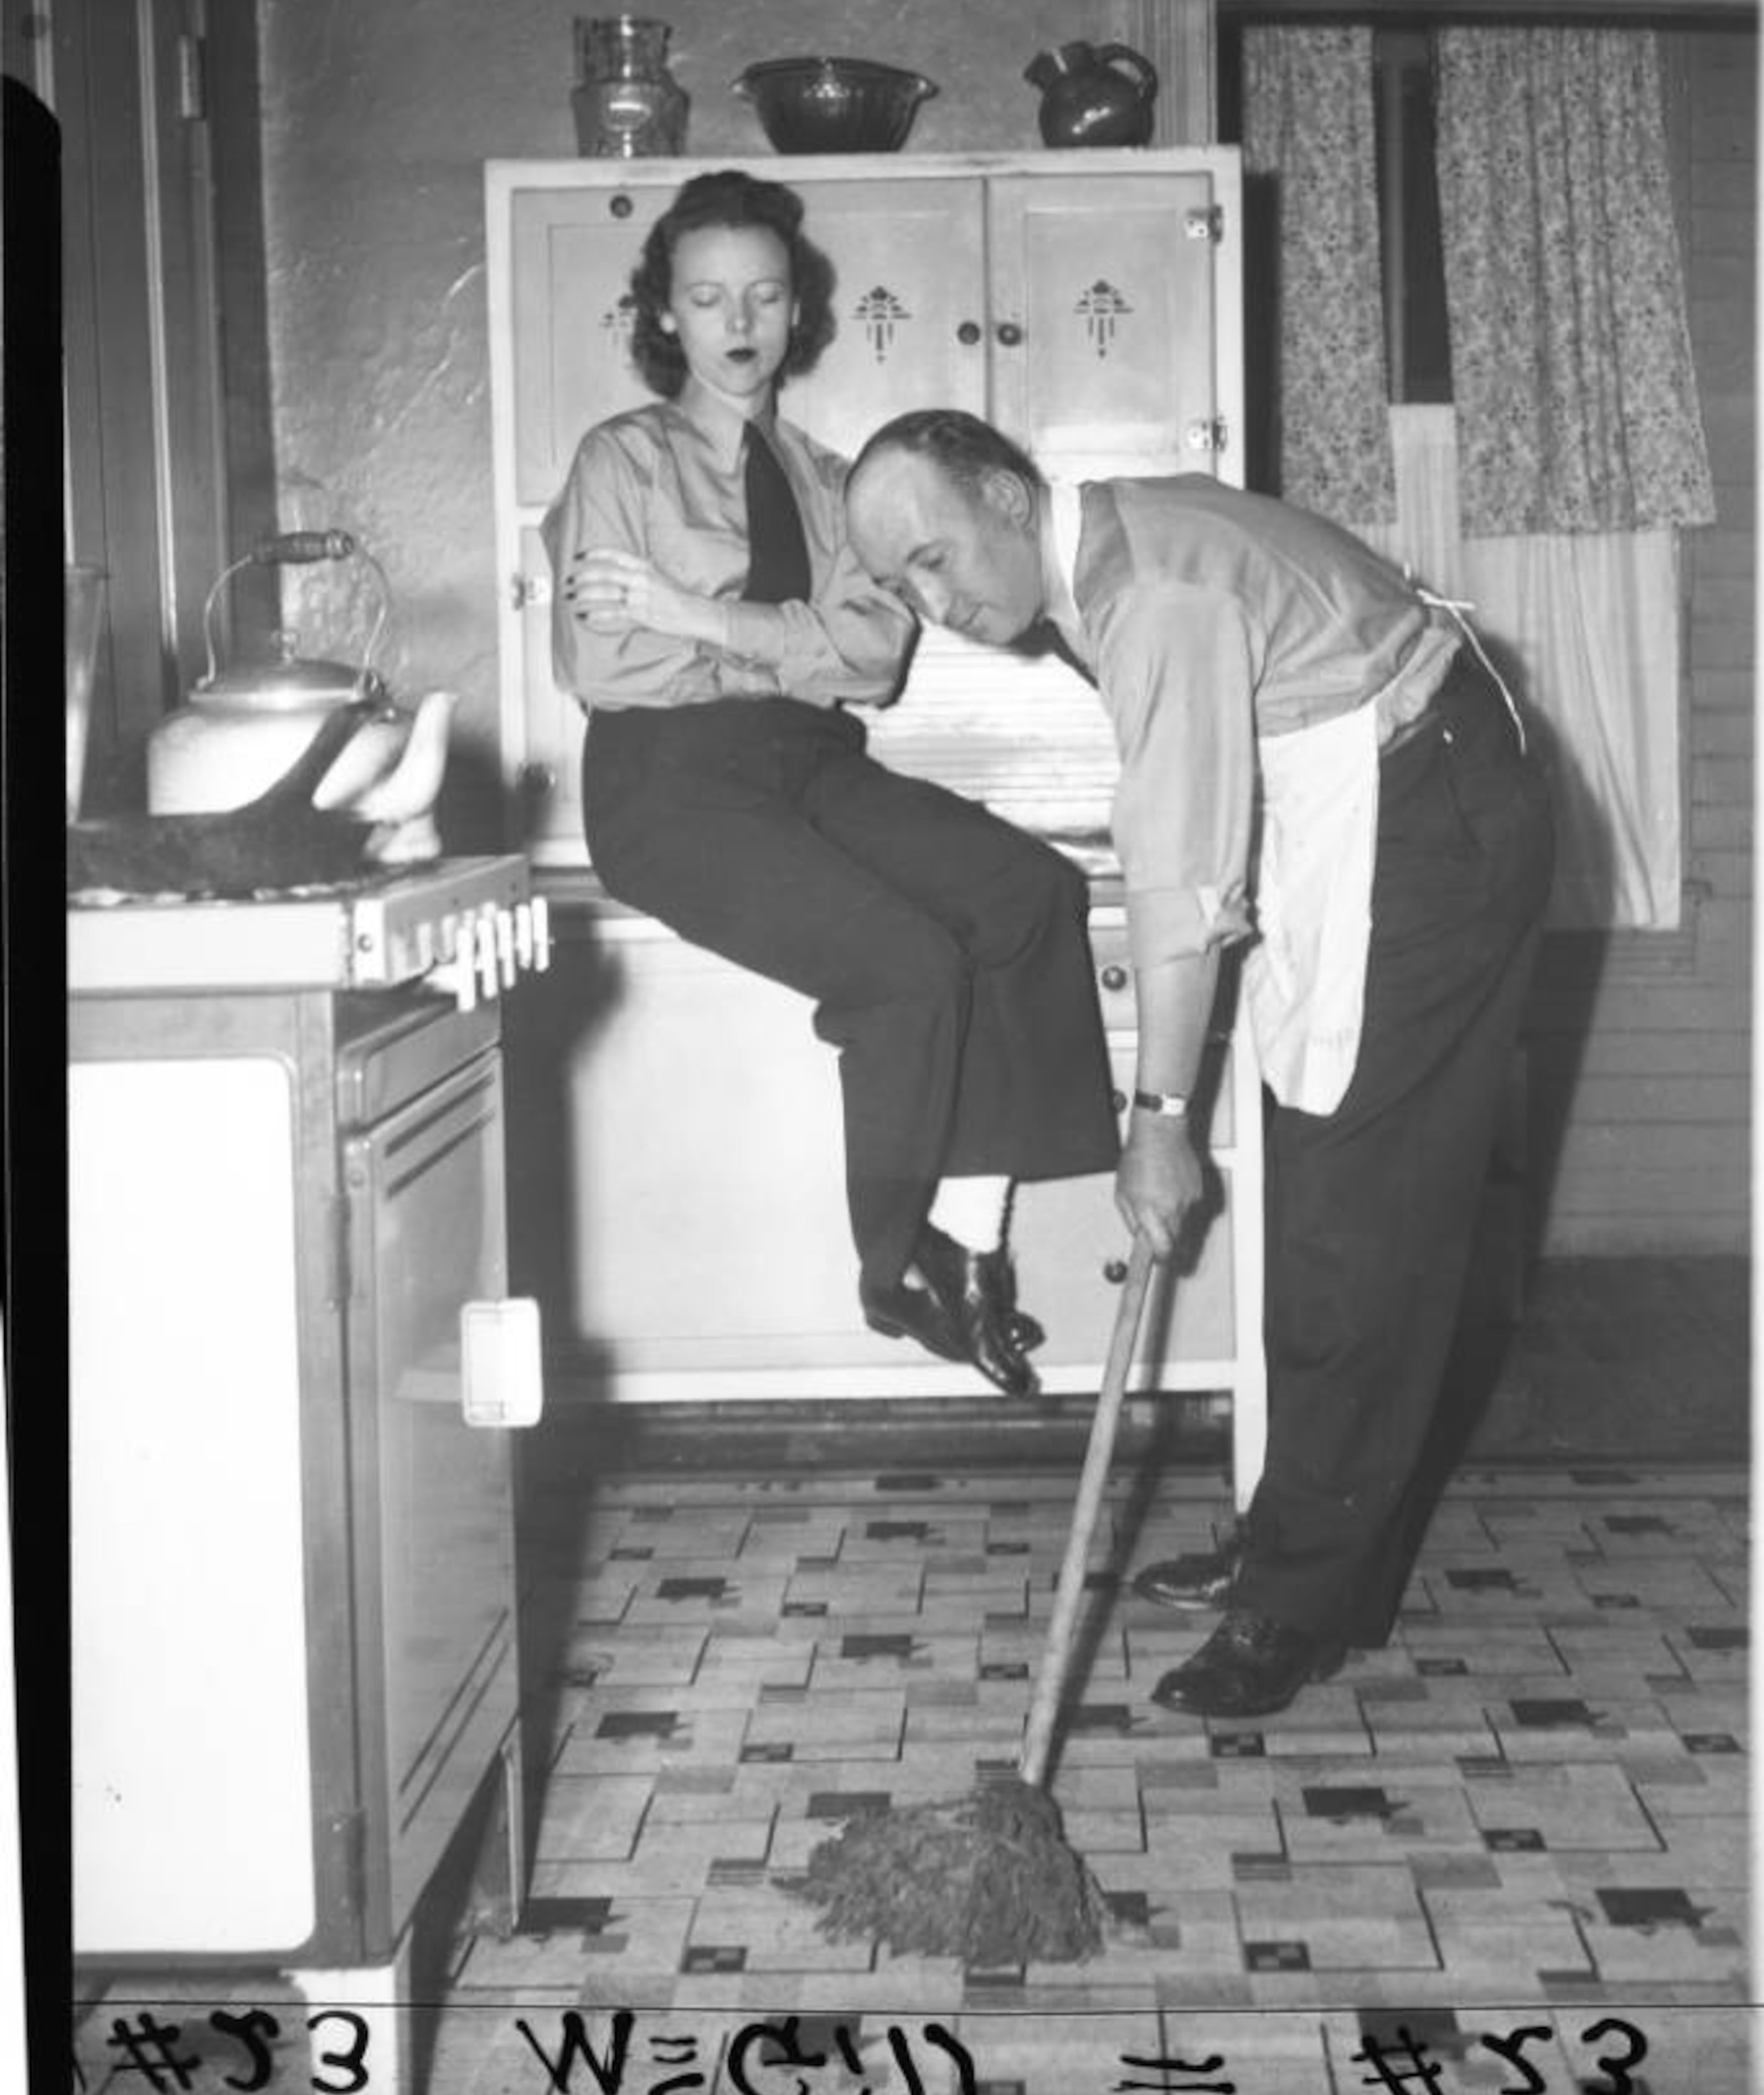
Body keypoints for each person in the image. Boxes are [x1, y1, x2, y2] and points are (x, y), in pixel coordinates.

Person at [844, 410, 1556, 1717]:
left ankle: (1304, 1601)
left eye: (937, 559)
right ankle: (1297, 1531)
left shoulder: (1147, 593)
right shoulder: (1091, 552)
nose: (933, 605)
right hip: (1378, 792)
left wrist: (1159, 1119)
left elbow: (1180, 883)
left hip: (1434, 813)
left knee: (1361, 1218)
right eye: (899, 586)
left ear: (1007, 495)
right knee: (1324, 1186)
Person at [542, 175, 1117, 1399]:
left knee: (1026, 891)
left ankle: (972, 1243)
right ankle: (896, 1264)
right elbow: (605, 658)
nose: (738, 320)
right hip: (669, 785)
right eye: (706, 297)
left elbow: (875, 657)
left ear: (796, 308)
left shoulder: (830, 475)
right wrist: (781, 636)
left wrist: (694, 612)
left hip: (809, 763)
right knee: (907, 963)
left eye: (763, 292)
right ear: (665, 314)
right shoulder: (621, 461)